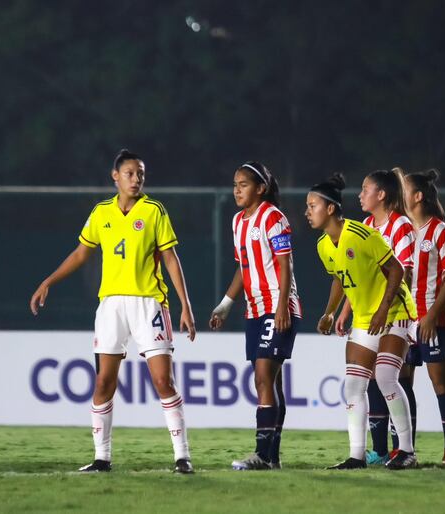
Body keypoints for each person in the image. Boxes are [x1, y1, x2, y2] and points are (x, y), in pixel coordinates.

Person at [29, 149, 196, 473]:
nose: (136, 179)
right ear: (115, 176)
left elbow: (171, 258)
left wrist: (184, 305)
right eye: (131, 173)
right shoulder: (101, 212)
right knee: (104, 381)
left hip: (148, 302)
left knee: (163, 381)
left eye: (141, 174)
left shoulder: (153, 211)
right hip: (111, 307)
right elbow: (81, 254)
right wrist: (48, 281)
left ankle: (182, 456)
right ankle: (101, 457)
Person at [306, 173, 418, 470]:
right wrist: (330, 312)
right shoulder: (323, 246)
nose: (307, 211)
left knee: (385, 377)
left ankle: (406, 450)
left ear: (330, 208)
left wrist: (383, 310)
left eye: (312, 205)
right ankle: (357, 456)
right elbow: (339, 279)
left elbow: (396, 270)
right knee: (353, 385)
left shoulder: (361, 234)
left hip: (395, 312)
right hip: (365, 317)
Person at [209, 162, 302, 470]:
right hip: (254, 308)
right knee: (270, 383)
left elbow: (284, 263)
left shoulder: (272, 217)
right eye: (235, 184)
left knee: (263, 377)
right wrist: (226, 304)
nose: (237, 189)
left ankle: (261, 454)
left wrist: (281, 306)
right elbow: (243, 266)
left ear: (260, 189)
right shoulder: (237, 221)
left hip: (276, 307)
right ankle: (272, 457)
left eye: (243, 184)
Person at [403, 169, 445, 465]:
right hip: (405, 322)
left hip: (432, 322)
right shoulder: (404, 232)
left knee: (441, 384)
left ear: (418, 196)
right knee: (402, 383)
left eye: (405, 190)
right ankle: (405, 449)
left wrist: (432, 315)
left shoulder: (442, 232)